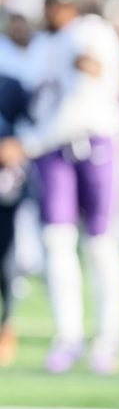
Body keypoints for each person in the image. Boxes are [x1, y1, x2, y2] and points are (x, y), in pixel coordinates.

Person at [1, 0, 119, 375]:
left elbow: (82, 99)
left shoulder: (90, 34)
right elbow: (39, 98)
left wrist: (29, 142)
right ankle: (68, 337)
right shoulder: (46, 45)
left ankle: (108, 337)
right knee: (56, 242)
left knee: (101, 243)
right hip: (54, 150)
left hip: (93, 143)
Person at [0, 72, 31, 366]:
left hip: (5, 185)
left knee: (5, 259)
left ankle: (6, 325)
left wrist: (16, 148)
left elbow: (28, 126)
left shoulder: (11, 84)